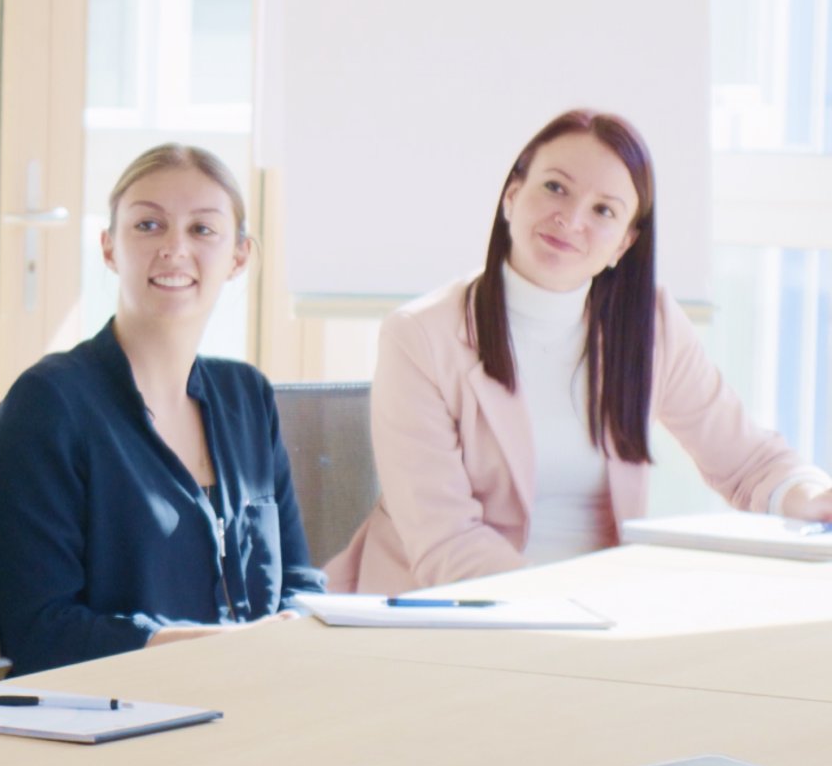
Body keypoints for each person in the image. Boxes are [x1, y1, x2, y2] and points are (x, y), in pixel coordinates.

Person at [328, 109, 832, 594]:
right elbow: (446, 544)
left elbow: (747, 461)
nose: (570, 219)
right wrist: (571, 604)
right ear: (511, 196)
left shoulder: (648, 325)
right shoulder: (419, 336)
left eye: (603, 210)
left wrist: (808, 495)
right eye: (555, 187)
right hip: (451, 616)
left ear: (624, 242)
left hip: (598, 616)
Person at [0, 145, 325, 676]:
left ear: (238, 257)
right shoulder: (50, 404)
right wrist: (218, 649)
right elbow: (40, 632)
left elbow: (299, 582)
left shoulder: (248, 397)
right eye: (148, 225)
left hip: (260, 695)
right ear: (109, 248)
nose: (173, 248)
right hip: (125, 717)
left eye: (202, 230)